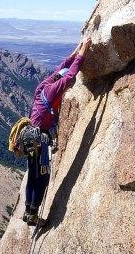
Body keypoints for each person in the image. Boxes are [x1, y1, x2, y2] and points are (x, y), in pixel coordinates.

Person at [23, 37, 92, 226]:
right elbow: (69, 77)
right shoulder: (53, 90)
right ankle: (33, 215)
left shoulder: (44, 85)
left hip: (29, 136)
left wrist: (77, 50)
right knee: (42, 178)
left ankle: (28, 209)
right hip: (39, 139)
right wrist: (84, 52)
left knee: (33, 174)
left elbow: (61, 67)